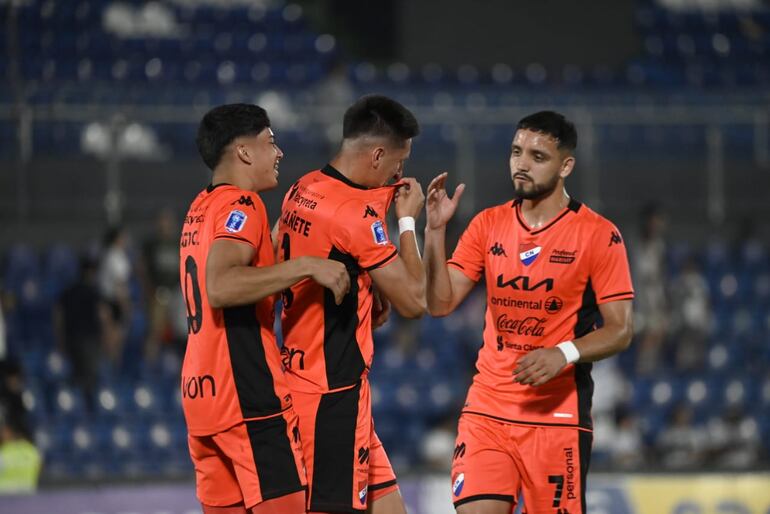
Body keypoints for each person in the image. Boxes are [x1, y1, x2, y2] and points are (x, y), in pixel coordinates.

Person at [423, 111, 634, 514]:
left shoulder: (598, 235)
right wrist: (435, 233)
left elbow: (621, 330)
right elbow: (439, 303)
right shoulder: (488, 224)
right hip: (488, 409)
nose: (522, 163)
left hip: (556, 417)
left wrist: (564, 353)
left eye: (538, 156)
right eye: (517, 152)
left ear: (566, 165)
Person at [180, 103, 350, 514]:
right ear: (243, 151)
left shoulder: (199, 208)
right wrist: (308, 265)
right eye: (271, 142)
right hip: (247, 398)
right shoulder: (243, 204)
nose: (279, 153)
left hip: (201, 396)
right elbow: (221, 285)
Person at [277, 94, 427, 514]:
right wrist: (409, 221)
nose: (401, 172)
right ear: (377, 154)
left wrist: (369, 287)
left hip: (312, 378)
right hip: (331, 397)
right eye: (400, 160)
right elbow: (415, 301)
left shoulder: (302, 187)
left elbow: (332, 249)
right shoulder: (354, 214)